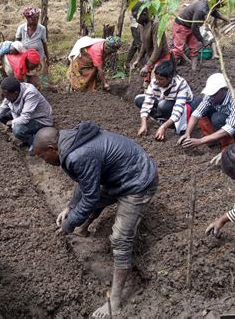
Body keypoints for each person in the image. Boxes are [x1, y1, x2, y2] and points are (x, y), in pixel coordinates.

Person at [33, 121, 158, 317]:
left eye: (42, 157)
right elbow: (84, 183)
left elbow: (90, 197)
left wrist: (69, 224)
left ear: (51, 148)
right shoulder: (69, 142)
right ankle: (84, 230)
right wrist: (70, 207)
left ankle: (115, 302)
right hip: (118, 176)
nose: (44, 161)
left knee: (120, 239)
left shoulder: (78, 154)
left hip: (137, 182)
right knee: (90, 200)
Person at [0, 77, 53, 151]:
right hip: (24, 116)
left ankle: (35, 143)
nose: (4, 98)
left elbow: (25, 118)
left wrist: (12, 122)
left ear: (15, 93)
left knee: (18, 130)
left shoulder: (30, 93)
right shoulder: (11, 94)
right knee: (1, 116)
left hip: (40, 119)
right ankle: (25, 135)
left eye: (6, 95)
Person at [178, 73, 235, 150]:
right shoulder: (211, 96)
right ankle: (212, 140)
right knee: (197, 102)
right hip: (225, 118)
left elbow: (229, 128)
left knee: (217, 118)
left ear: (225, 90)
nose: (211, 97)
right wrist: (187, 133)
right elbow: (197, 113)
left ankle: (228, 146)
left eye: (214, 94)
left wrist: (200, 141)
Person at [135, 60, 194, 140]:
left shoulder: (180, 84)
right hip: (164, 100)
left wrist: (163, 127)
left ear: (169, 78)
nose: (157, 81)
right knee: (139, 99)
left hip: (183, 106)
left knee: (163, 105)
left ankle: (169, 123)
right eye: (156, 78)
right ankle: (163, 119)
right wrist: (143, 124)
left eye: (161, 79)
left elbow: (178, 108)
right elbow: (147, 102)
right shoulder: (155, 82)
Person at [171, 0, 229, 70]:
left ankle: (193, 71)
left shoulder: (209, 2)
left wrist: (224, 18)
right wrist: (202, 40)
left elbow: (212, 11)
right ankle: (172, 72)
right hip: (181, 26)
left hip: (191, 27)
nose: (222, 6)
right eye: (222, 4)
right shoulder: (201, 8)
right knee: (178, 51)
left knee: (195, 49)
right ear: (218, 0)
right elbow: (194, 27)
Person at [0, 40, 41, 111]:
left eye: (36, 66)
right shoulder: (17, 66)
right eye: (33, 66)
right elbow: (18, 84)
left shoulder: (28, 55)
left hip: (4, 66)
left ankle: (4, 106)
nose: (34, 68)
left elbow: (27, 80)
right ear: (27, 62)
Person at [130, 3, 171, 88]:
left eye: (136, 17)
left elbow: (157, 48)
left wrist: (147, 65)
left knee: (154, 83)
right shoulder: (141, 25)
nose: (136, 20)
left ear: (144, 13)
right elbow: (144, 44)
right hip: (152, 58)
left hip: (161, 57)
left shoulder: (155, 24)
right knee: (145, 85)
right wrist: (138, 59)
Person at [16, 7, 49, 92]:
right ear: (27, 18)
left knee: (41, 79)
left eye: (37, 18)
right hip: (26, 59)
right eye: (33, 18)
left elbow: (44, 43)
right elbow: (17, 43)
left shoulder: (42, 29)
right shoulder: (21, 28)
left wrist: (47, 57)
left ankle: (43, 94)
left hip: (39, 58)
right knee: (28, 79)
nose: (35, 20)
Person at [125, 0, 154, 69]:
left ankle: (128, 62)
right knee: (140, 43)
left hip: (146, 21)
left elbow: (153, 7)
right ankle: (143, 65)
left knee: (137, 41)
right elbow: (130, 4)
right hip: (135, 21)